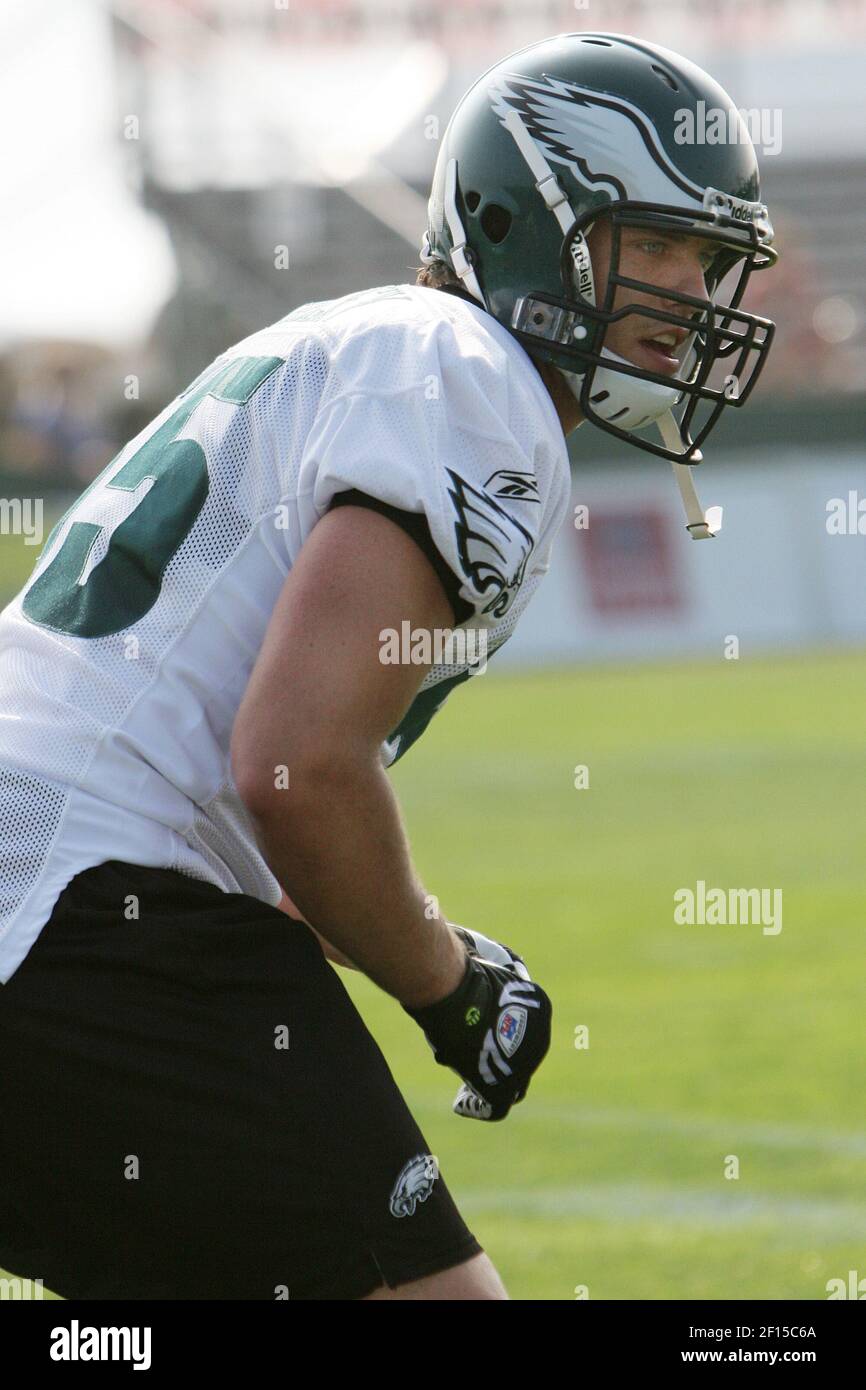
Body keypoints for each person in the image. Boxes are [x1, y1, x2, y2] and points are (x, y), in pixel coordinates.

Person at [0, 32, 776, 1301]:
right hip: (89, 907)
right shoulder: (470, 376)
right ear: (524, 224)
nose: (695, 293)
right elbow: (295, 764)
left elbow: (246, 788)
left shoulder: (363, 343)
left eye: (709, 258)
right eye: (659, 247)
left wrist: (428, 942)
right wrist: (449, 986)